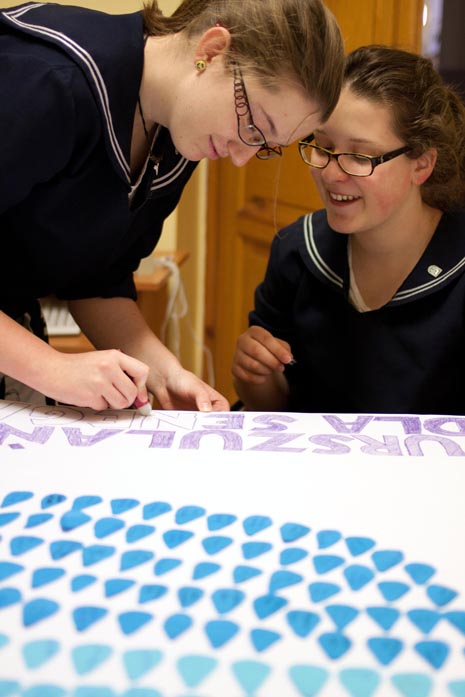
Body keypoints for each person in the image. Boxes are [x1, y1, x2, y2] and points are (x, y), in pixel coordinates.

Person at [0, 0, 344, 412]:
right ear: (212, 51)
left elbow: (96, 283)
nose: (241, 157)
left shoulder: (178, 136)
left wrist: (166, 375)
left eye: (265, 146)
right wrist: (52, 368)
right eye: (254, 126)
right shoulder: (47, 78)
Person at [232, 45, 465, 415]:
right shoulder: (297, 251)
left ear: (421, 164)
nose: (331, 173)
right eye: (323, 146)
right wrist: (254, 375)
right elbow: (278, 409)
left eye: (360, 156)